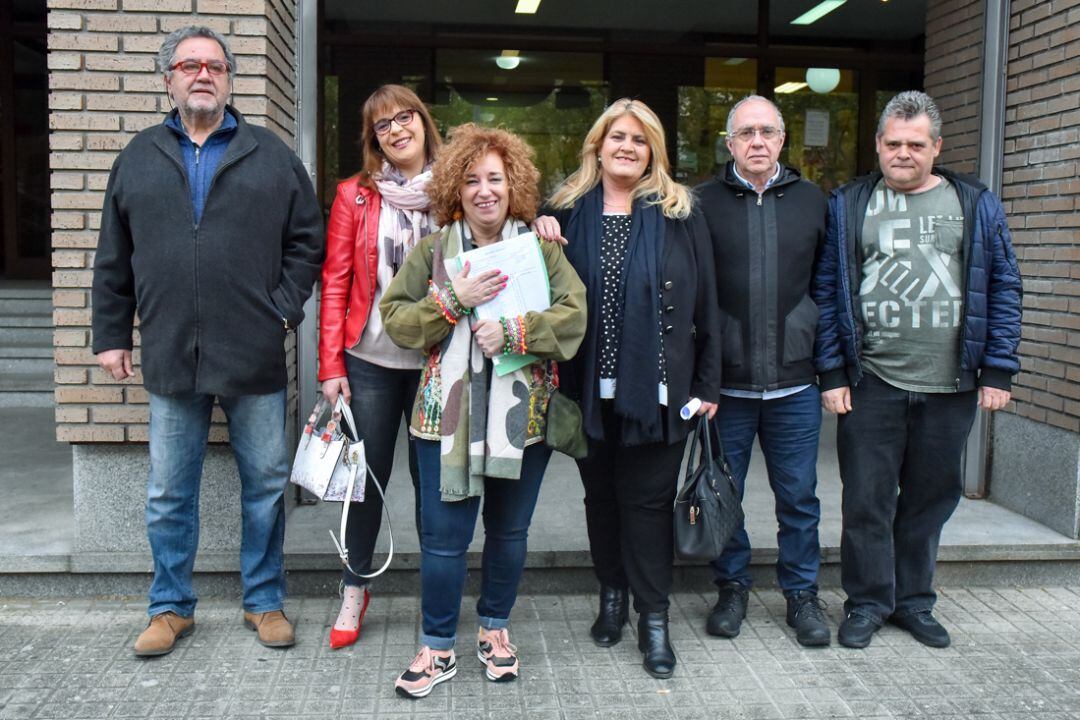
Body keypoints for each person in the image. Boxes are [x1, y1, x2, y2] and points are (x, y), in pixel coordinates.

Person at [91, 26, 323, 656]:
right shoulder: (138, 157)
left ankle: (265, 599)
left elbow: (308, 241)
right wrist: (112, 335)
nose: (202, 74)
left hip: (252, 354)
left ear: (229, 78)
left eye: (214, 65)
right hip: (170, 352)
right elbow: (114, 255)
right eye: (189, 64)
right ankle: (169, 607)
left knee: (267, 485)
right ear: (167, 78)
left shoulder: (271, 155)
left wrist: (280, 312)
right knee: (169, 490)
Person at [380, 124, 586, 698]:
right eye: (471, 180)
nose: (484, 190)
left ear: (513, 182)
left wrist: (517, 331)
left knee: (509, 531)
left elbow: (575, 314)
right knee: (444, 539)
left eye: (495, 178)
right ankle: (437, 644)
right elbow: (395, 318)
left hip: (524, 419)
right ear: (455, 188)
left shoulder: (542, 249)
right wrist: (451, 300)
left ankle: (495, 628)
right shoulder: (431, 252)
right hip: (444, 419)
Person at [813, 91, 1022, 649]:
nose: (902, 153)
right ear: (878, 145)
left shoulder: (975, 202)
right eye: (892, 143)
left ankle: (913, 602)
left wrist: (998, 369)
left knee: (930, 499)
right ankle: (867, 603)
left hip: (951, 383)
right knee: (866, 501)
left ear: (936, 148)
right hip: (870, 381)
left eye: (915, 144)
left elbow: (1003, 285)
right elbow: (829, 292)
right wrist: (831, 372)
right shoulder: (850, 203)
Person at [539, 99, 721, 678]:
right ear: (597, 144)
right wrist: (535, 229)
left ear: (654, 152)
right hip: (587, 390)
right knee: (601, 500)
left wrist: (710, 381)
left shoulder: (680, 212)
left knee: (645, 505)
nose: (627, 147)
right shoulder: (564, 211)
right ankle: (610, 595)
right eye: (617, 136)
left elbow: (708, 302)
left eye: (640, 141)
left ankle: (654, 618)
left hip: (661, 392)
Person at [695, 96, 830, 647]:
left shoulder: (813, 201)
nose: (757, 141)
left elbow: (829, 284)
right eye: (746, 132)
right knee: (723, 494)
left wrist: (830, 362)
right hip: (725, 383)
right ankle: (732, 587)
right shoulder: (699, 202)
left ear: (781, 141)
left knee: (798, 495)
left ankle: (801, 594)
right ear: (729, 143)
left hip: (795, 381)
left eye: (767, 131)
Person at [318, 85, 442, 650]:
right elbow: (336, 282)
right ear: (374, 140)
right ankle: (355, 586)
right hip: (368, 359)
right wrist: (329, 367)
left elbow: (500, 235)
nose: (396, 129)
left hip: (440, 359)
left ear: (423, 121)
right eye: (382, 125)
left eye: (404, 117)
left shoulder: (458, 186)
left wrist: (540, 221)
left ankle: (435, 600)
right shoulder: (355, 196)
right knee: (365, 482)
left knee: (434, 484)